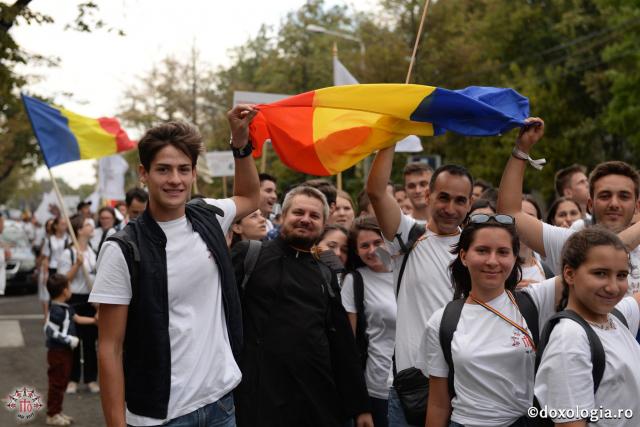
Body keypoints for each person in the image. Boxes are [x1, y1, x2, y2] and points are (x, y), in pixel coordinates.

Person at [90, 108, 260, 426]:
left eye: (184, 169)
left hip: (221, 403)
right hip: (162, 416)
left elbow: (250, 196)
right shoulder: (123, 249)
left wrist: (240, 142)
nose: (175, 180)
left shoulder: (209, 214)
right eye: (163, 170)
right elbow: (109, 348)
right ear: (144, 173)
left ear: (194, 173)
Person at [231, 185, 373, 427]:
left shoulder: (326, 272)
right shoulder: (249, 256)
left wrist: (360, 407)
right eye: (299, 212)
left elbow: (342, 345)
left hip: (315, 402)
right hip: (258, 400)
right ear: (283, 216)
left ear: (323, 224)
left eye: (314, 216)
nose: (305, 220)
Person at [367, 143, 473, 427]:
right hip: (411, 389)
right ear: (428, 196)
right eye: (444, 197)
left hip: (466, 387)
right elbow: (376, 191)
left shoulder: (478, 248)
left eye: (460, 200)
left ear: (470, 204)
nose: (451, 208)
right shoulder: (406, 236)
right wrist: (389, 137)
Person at [424, 214, 562, 427]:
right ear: (463, 256)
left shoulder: (536, 299)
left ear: (515, 257)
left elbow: (588, 262)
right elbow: (438, 404)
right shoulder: (442, 321)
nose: (492, 261)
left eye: (503, 252)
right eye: (482, 250)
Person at [496, 117, 640, 295]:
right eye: (605, 196)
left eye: (624, 196)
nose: (614, 203)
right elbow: (509, 213)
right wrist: (522, 149)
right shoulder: (569, 243)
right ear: (589, 205)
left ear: (637, 206)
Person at [534, 228, 640, 426]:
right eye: (600, 273)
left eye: (622, 275)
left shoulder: (613, 319)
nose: (613, 287)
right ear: (569, 274)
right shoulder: (570, 339)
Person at [341, 216, 396, 427]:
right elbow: (349, 349)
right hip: (378, 387)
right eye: (364, 246)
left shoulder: (407, 272)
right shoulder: (354, 281)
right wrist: (360, 406)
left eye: (377, 242)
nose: (372, 250)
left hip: (417, 385)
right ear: (356, 251)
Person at [44, 273, 98, 426]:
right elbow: (49, 331)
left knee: (61, 381)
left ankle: (57, 411)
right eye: (69, 286)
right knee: (56, 382)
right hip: (57, 352)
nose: (71, 289)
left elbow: (78, 319)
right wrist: (68, 339)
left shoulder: (66, 308)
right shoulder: (56, 311)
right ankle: (52, 414)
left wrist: (95, 321)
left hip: (65, 352)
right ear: (64, 291)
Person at [58, 214, 99, 395]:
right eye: (87, 225)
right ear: (79, 230)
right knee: (73, 343)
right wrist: (76, 265)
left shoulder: (93, 252)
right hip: (73, 300)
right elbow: (62, 280)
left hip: (91, 300)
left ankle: (91, 379)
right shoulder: (69, 253)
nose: (91, 227)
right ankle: (72, 379)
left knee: (90, 342)